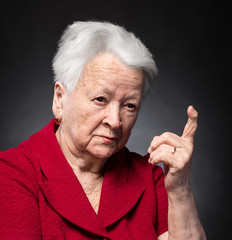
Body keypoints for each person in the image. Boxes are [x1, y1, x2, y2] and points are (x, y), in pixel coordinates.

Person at [0, 21, 206, 240]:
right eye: (100, 99)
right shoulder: (13, 173)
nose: (115, 121)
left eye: (130, 106)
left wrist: (180, 190)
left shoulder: (151, 177)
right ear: (60, 100)